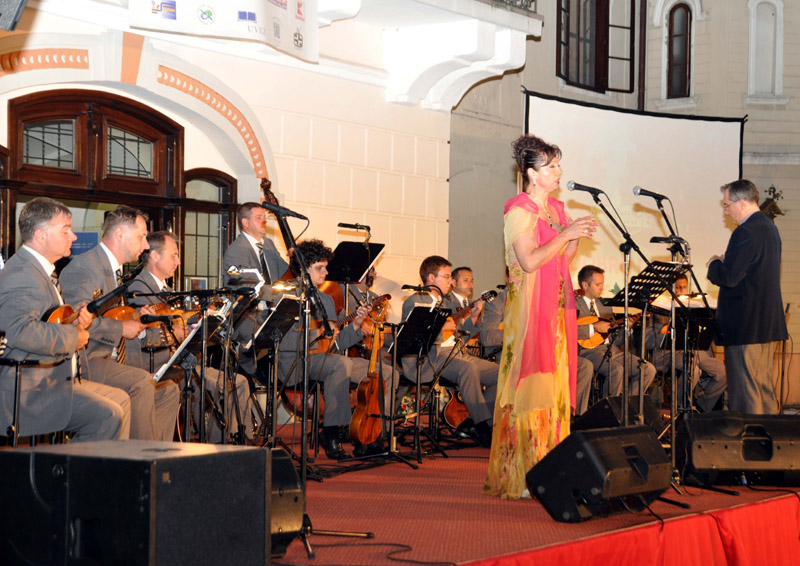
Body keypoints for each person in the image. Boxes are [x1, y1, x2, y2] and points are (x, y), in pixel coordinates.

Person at [484, 134, 597, 500]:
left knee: (554, 390)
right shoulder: (519, 210)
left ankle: (550, 470)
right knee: (530, 389)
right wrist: (565, 235)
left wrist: (574, 235)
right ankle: (521, 472)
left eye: (558, 165)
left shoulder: (557, 210)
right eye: (551, 166)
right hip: (529, 313)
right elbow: (530, 261)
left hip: (557, 311)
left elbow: (563, 260)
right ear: (532, 174)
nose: (558, 172)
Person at [0, 197, 130, 441]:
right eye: (66, 230)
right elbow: (18, 330)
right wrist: (74, 336)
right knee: (107, 416)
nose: (73, 236)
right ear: (40, 235)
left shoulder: (37, 270)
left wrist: (73, 319)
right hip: (29, 392)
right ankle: (71, 467)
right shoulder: (23, 274)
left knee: (117, 404)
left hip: (48, 382)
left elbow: (43, 320)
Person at [60, 205, 180, 441]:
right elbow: (77, 320)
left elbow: (111, 315)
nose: (145, 245)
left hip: (113, 356)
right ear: (120, 235)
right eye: (141, 237)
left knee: (168, 390)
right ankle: (140, 458)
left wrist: (136, 319)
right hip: (89, 359)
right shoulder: (84, 267)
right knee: (142, 382)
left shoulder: (114, 270)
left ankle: (158, 452)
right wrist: (122, 328)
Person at [124, 231, 253, 443]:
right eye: (173, 255)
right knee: (222, 385)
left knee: (238, 382)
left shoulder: (166, 289)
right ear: (155, 256)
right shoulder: (138, 289)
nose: (178, 261)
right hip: (158, 365)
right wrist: (175, 331)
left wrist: (202, 320)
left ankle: (235, 444)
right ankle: (218, 448)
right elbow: (143, 334)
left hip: (178, 361)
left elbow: (179, 321)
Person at [276, 239, 379, 459]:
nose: (326, 272)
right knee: (339, 364)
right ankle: (332, 433)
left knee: (382, 372)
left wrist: (356, 326)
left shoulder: (325, 299)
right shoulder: (286, 296)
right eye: (320, 268)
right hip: (294, 363)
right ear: (303, 270)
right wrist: (318, 333)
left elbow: (336, 345)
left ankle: (370, 436)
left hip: (324, 358)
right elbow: (280, 341)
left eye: (325, 267)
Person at [706, 179, 787, 414]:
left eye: (727, 205)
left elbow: (730, 277)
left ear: (741, 203)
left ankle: (750, 435)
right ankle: (769, 434)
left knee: (745, 392)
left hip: (745, 326)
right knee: (763, 387)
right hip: (765, 324)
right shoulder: (769, 228)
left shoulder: (745, 232)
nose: (726, 211)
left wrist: (714, 264)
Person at [401, 256, 498, 446]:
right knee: (467, 369)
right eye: (446, 277)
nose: (450, 281)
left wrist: (473, 317)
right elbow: (414, 338)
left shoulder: (447, 303)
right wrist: (440, 328)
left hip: (457, 352)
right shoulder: (415, 301)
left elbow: (461, 336)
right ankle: (482, 427)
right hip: (431, 357)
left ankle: (471, 422)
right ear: (431, 278)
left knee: (500, 374)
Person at [222, 202, 289, 377]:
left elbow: (285, 273)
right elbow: (247, 289)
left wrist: (296, 261)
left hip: (270, 309)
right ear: (245, 222)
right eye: (259, 218)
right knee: (260, 335)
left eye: (264, 217)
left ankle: (282, 375)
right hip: (248, 313)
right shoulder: (237, 250)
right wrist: (276, 292)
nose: (264, 221)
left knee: (292, 331)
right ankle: (246, 370)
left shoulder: (268, 245)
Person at [647, 274, 727, 412]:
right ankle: (682, 407)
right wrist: (663, 331)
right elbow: (649, 341)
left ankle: (702, 407)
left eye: (684, 287)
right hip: (671, 353)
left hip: (696, 352)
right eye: (678, 287)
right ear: (672, 288)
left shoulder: (694, 307)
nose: (681, 290)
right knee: (692, 369)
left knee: (722, 371)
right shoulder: (661, 308)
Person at [575, 265, 657, 398]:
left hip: (611, 350)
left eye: (602, 284)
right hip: (588, 351)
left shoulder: (605, 306)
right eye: (598, 284)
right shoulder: (574, 304)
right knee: (616, 370)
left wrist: (626, 328)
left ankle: (627, 405)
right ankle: (608, 408)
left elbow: (615, 339)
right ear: (585, 285)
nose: (602, 288)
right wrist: (594, 327)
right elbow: (569, 329)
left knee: (647, 369)